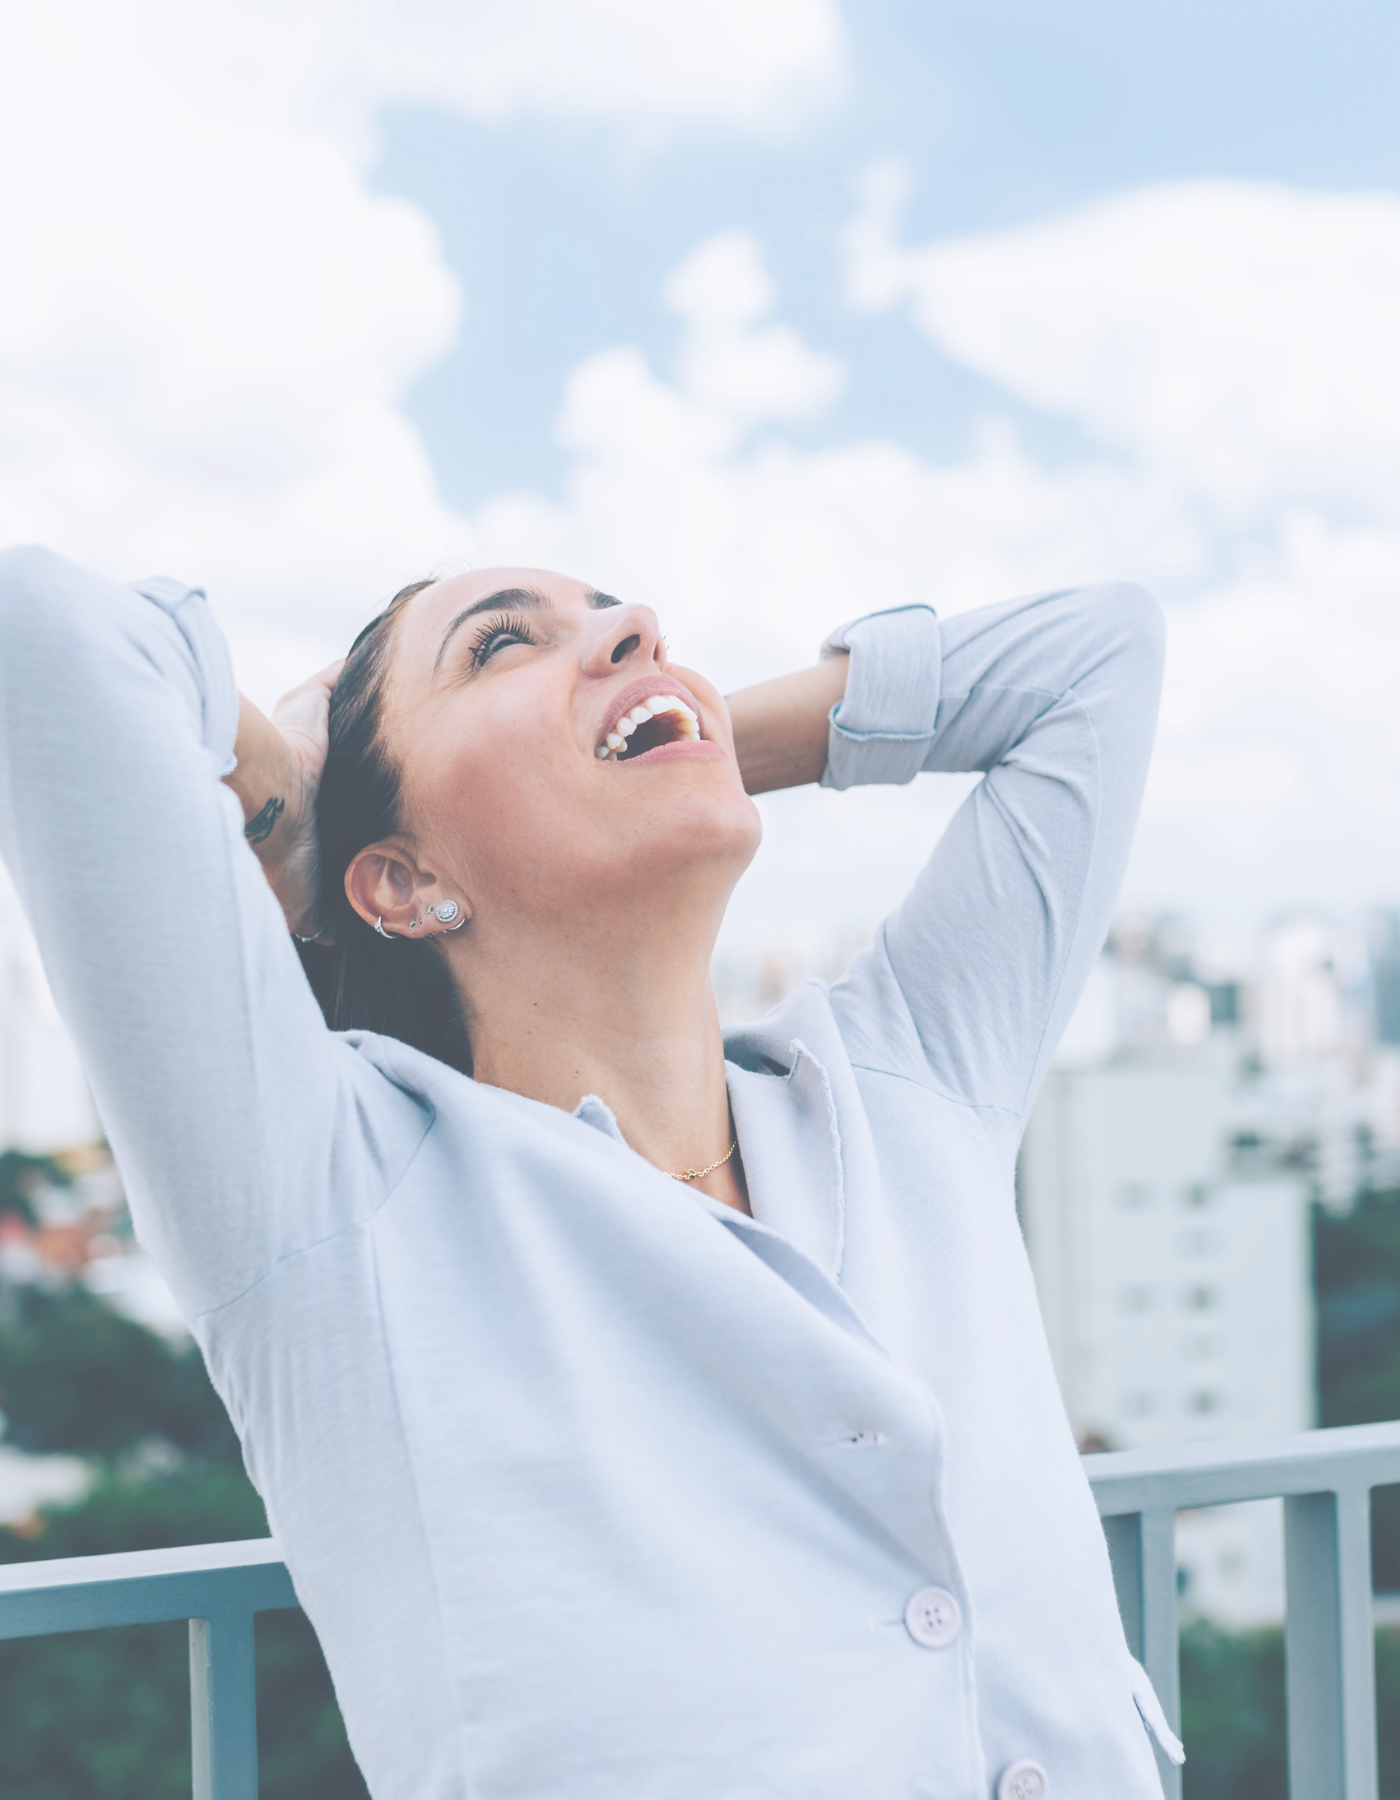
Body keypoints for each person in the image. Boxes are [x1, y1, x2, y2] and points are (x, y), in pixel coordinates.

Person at [0, 545, 1181, 1800]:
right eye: (500, 643)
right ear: (401, 881)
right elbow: (50, 632)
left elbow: (1097, 654)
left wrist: (699, 736)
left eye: (615, 615)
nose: (634, 628)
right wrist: (298, 802)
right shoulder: (331, 1204)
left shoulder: (905, 1085)